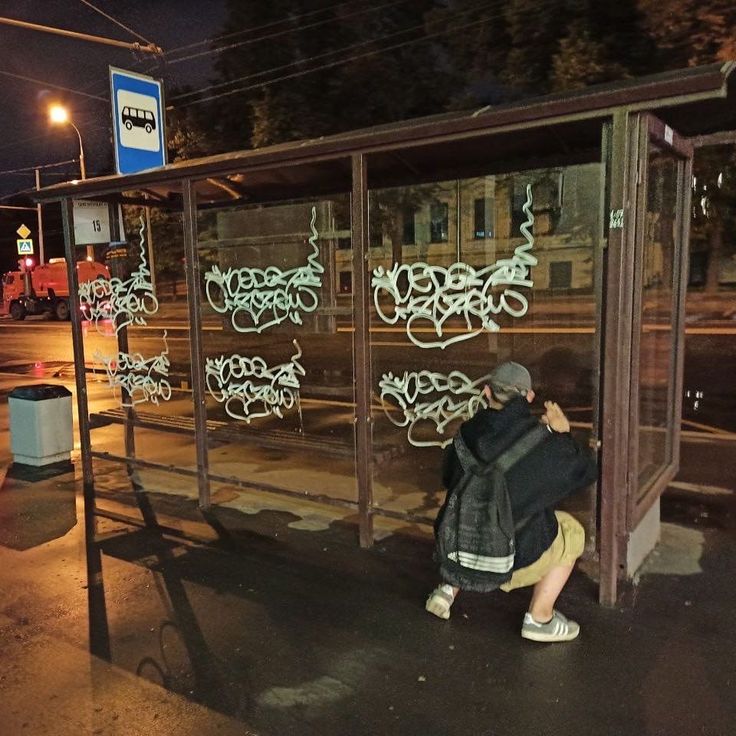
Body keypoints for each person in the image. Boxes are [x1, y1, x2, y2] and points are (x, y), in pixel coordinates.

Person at [426, 361, 597, 643]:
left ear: (486, 393)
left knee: (467, 511)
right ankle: (540, 618)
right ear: (528, 397)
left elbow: (448, 479)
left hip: (456, 551)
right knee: (572, 531)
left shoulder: (465, 434)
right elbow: (586, 473)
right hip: (508, 559)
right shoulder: (542, 441)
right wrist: (563, 434)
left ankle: (448, 588)